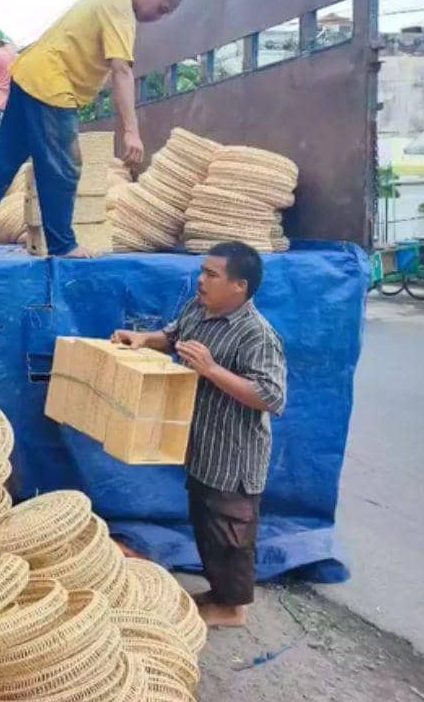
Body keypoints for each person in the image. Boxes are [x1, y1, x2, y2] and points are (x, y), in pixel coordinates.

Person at [111, 241, 287, 629]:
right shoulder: (199, 310)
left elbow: (271, 397)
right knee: (208, 524)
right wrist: (143, 339)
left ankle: (233, 608)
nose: (201, 280)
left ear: (239, 286)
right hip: (202, 444)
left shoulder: (256, 335)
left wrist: (211, 370)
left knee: (231, 531)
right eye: (202, 271)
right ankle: (220, 593)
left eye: (211, 274)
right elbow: (173, 337)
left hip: (235, 453)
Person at [0, 0, 190, 256]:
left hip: (30, 73)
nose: (159, 16)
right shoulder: (120, 7)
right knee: (62, 167)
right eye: (162, 8)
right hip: (50, 83)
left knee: (6, 159)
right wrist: (131, 131)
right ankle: (62, 244)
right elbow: (121, 70)